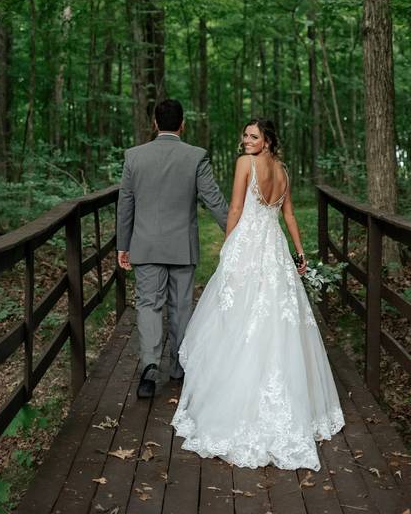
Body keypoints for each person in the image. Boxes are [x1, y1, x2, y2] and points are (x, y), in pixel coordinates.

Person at [170, 118, 344, 471]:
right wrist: (298, 252)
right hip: (275, 250)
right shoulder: (282, 171)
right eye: (244, 134)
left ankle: (238, 405)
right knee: (275, 321)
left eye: (252, 136)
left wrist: (228, 247)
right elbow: (289, 215)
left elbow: (235, 208)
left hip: (249, 248)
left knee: (239, 319)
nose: (245, 140)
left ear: (266, 141)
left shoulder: (244, 165)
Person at [117, 99, 229, 399]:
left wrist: (122, 245)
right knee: (181, 306)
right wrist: (235, 232)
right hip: (182, 246)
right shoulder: (195, 157)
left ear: (155, 123)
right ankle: (178, 367)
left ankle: (150, 367)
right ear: (183, 124)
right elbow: (213, 200)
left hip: (146, 244)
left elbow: (125, 204)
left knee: (149, 304)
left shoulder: (134, 157)